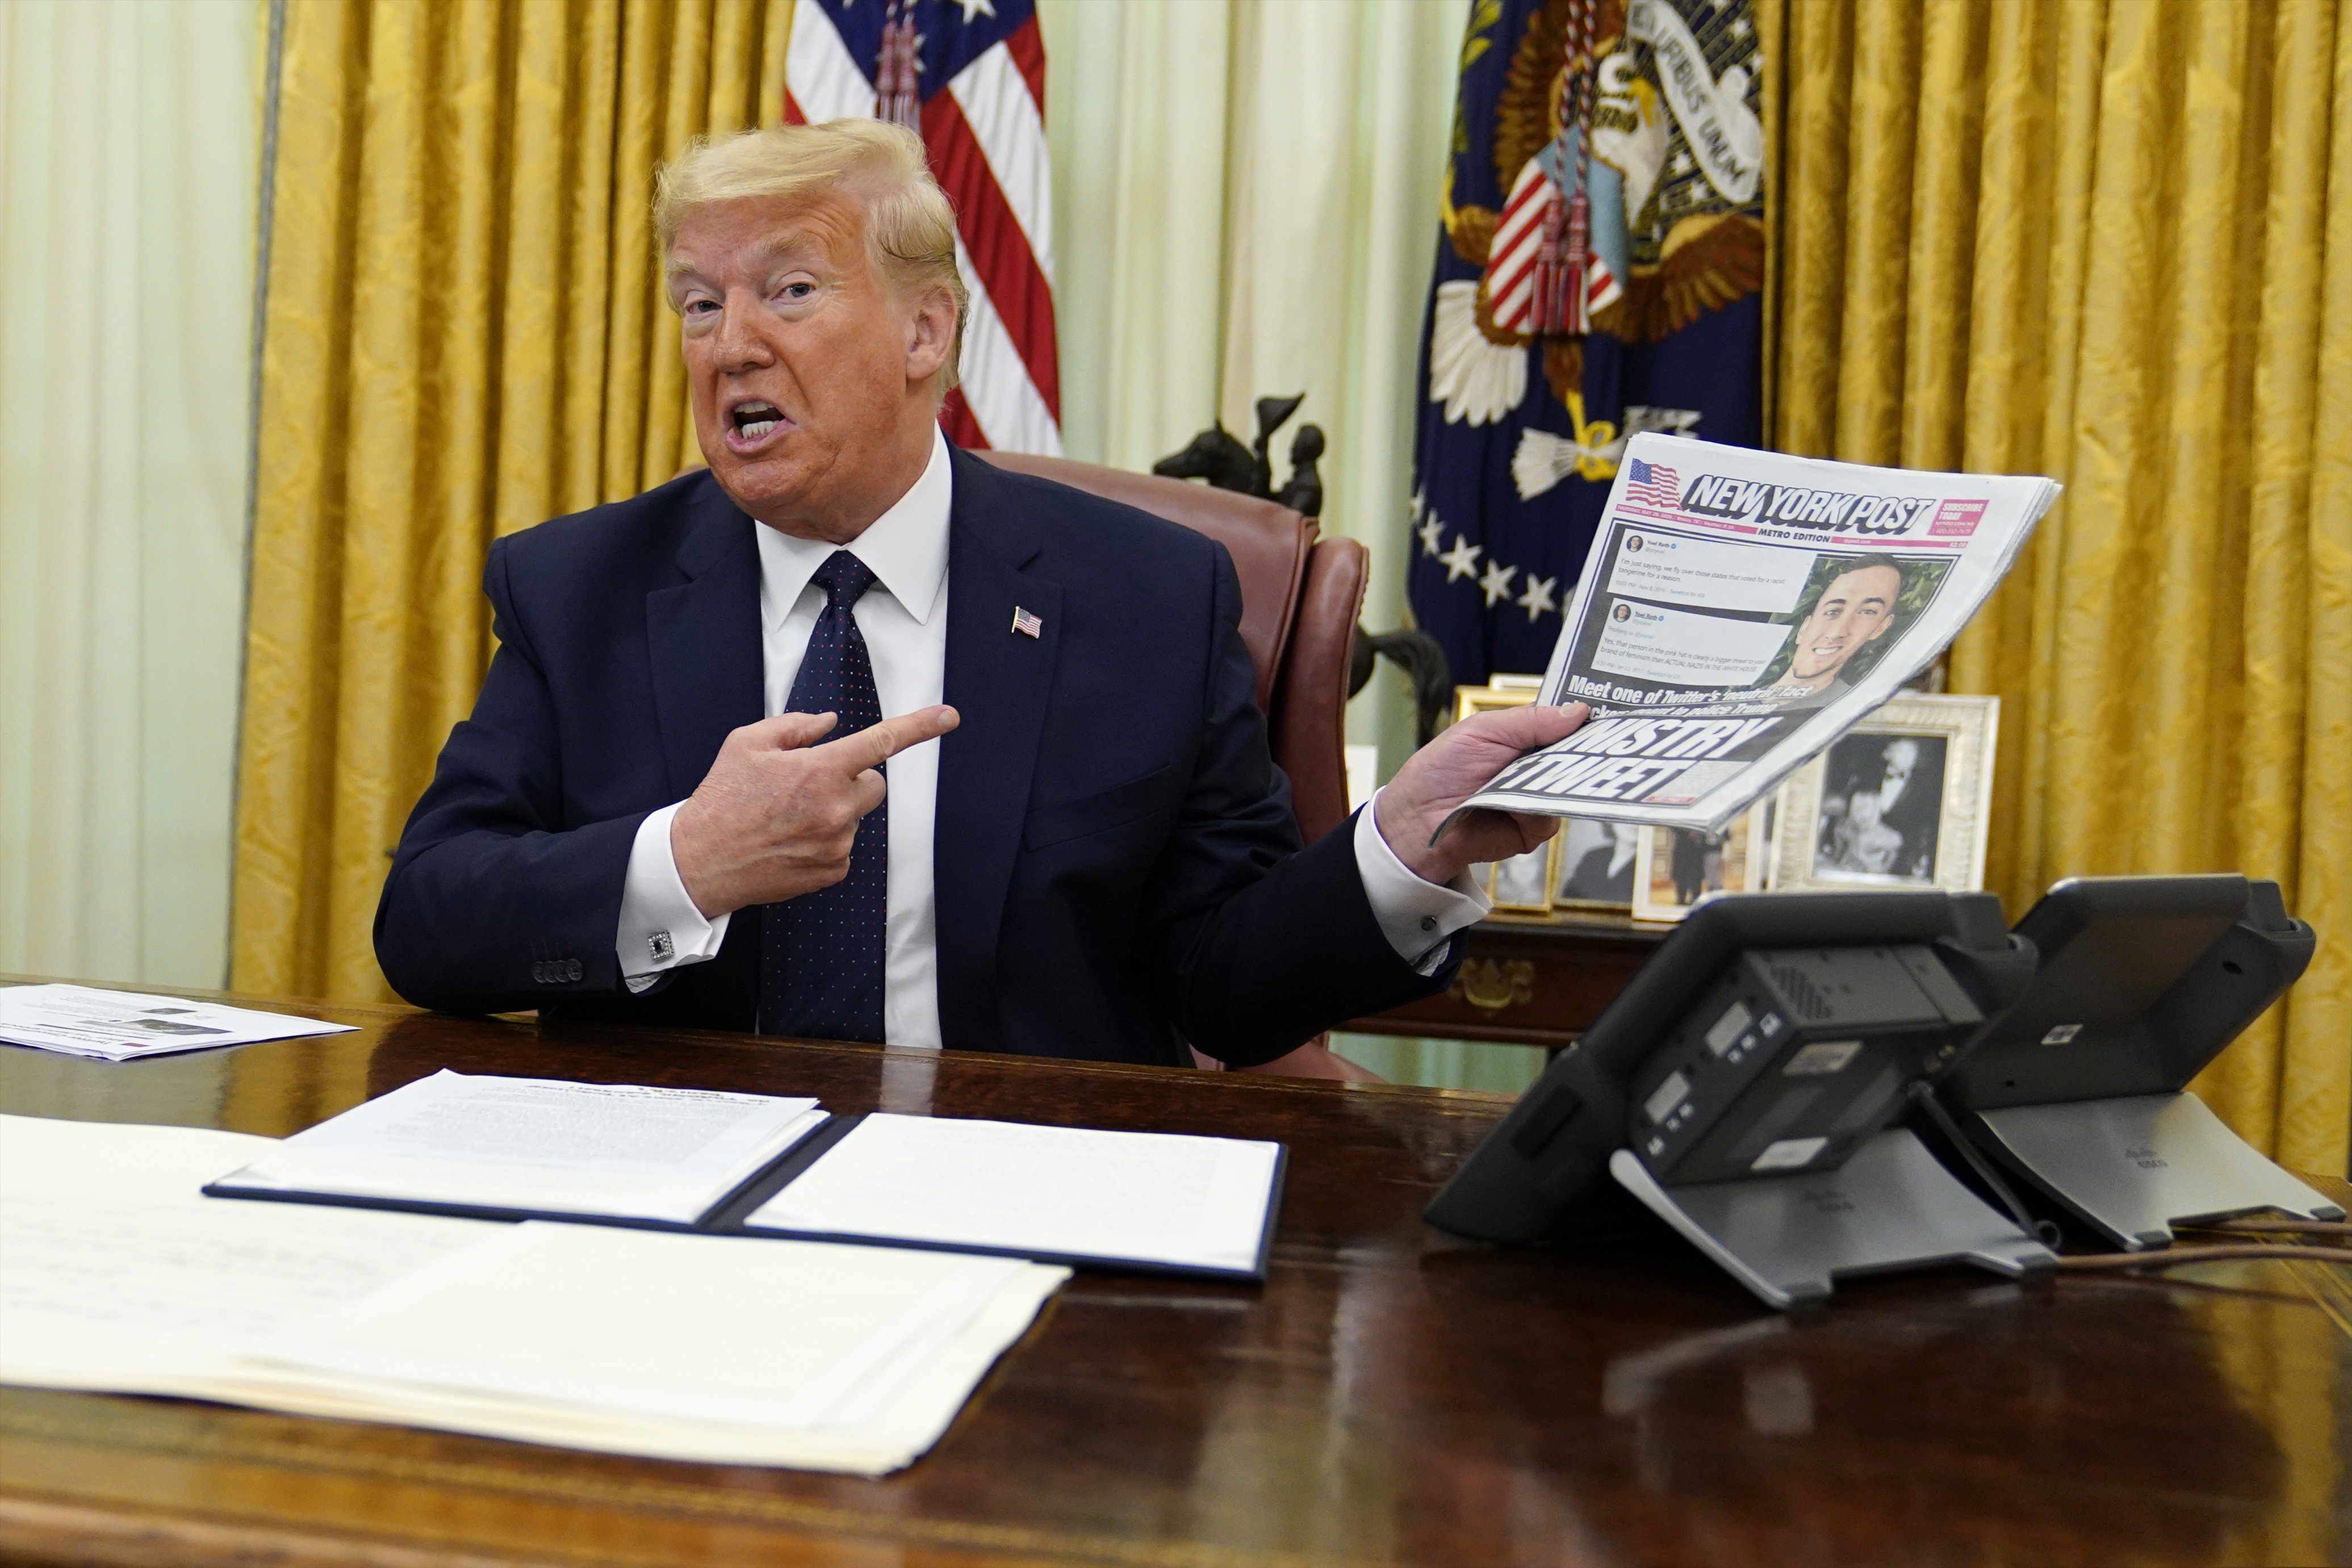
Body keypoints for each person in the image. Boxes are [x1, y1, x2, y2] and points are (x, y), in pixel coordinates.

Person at [373, 120, 1585, 1070]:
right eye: (701, 300)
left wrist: (1397, 851)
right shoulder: (578, 584)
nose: (728, 343)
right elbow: (427, 923)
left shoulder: (1149, 595)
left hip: (1021, 1189)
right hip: (680, 1196)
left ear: (925, 332)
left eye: (788, 291)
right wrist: (686, 859)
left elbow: (1223, 978)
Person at [1763, 556, 1906, 706]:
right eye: (1832, 611)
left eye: (1868, 612)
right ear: (1804, 628)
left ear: (1881, 627)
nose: (1837, 632)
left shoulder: (1853, 707)